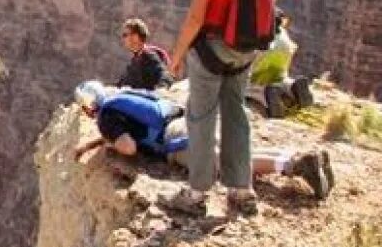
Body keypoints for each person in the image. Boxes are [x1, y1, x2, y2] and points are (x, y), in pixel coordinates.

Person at [166, 0, 278, 216]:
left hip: (213, 48)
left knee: (200, 116)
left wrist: (178, 53)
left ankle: (196, 194)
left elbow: (197, 16)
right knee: (236, 112)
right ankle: (241, 191)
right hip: (248, 48)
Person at [72, 81, 333, 200]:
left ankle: (294, 167)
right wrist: (93, 143)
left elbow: (127, 146)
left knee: (225, 164)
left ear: (88, 106)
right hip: (185, 120)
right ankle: (297, 156)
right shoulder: (124, 96)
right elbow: (133, 123)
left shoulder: (105, 116)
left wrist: (109, 143)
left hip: (174, 141)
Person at [249, 9, 315, 118]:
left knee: (249, 88)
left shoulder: (260, 31)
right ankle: (291, 87)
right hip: (282, 58)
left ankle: (266, 97)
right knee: (280, 78)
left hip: (263, 61)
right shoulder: (283, 33)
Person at [116, 18, 173, 90]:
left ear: (141, 35)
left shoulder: (150, 55)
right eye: (125, 35)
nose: (129, 38)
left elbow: (164, 74)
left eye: (133, 34)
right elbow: (122, 83)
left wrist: (161, 89)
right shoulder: (133, 62)